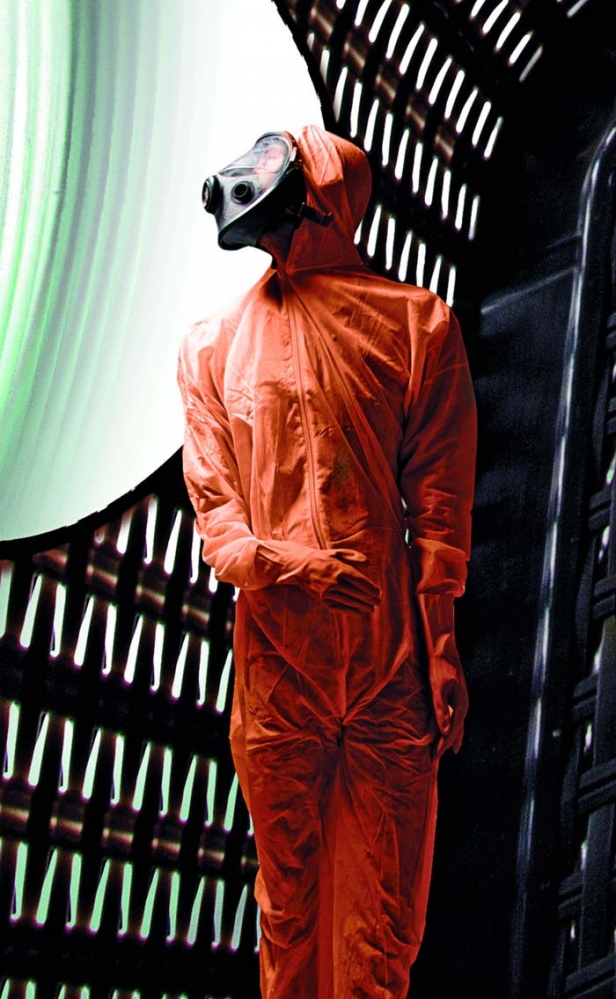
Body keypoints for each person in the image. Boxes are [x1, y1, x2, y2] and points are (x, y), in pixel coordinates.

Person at [178, 125, 477, 999]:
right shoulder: (213, 346)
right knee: (290, 902)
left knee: (383, 921)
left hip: (389, 660)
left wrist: (441, 644)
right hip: (281, 665)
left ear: (326, 200)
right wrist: (295, 567)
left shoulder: (418, 326)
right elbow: (219, 519)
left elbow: (440, 502)